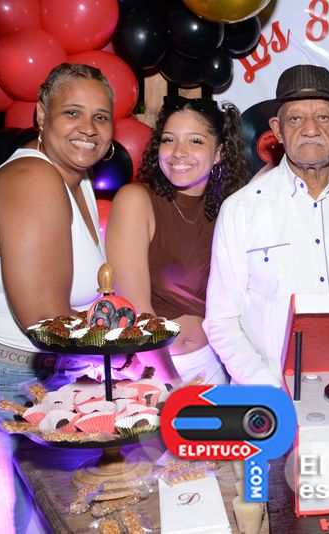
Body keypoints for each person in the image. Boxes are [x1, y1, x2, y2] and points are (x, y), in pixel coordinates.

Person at [0, 64, 113, 534]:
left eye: (101, 117)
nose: (88, 128)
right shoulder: (34, 176)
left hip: (43, 376)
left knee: (58, 519)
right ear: (41, 114)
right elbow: (46, 319)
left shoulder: (78, 181)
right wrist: (126, 344)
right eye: (72, 112)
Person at [203, 64, 329, 387]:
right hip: (269, 397)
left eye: (323, 117)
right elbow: (221, 320)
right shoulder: (241, 209)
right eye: (296, 119)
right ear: (277, 130)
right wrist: (269, 389)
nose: (311, 129)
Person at [106, 96, 249, 385]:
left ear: (219, 153)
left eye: (195, 141)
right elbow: (134, 311)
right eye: (169, 140)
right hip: (156, 372)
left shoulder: (231, 209)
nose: (178, 152)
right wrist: (170, 383)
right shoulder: (136, 201)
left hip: (219, 365)